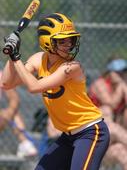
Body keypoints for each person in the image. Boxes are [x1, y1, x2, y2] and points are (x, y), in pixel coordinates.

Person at [1, 13, 110, 170]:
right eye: (62, 41)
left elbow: (34, 87)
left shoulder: (72, 67)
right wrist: (11, 57)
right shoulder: (38, 60)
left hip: (91, 132)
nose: (69, 44)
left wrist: (16, 57)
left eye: (71, 40)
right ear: (47, 42)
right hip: (68, 136)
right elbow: (7, 83)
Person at [88, 57, 127, 169]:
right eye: (118, 72)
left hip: (113, 143)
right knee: (106, 110)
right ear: (110, 72)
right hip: (94, 139)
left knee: (122, 152)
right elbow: (111, 104)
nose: (121, 75)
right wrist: (121, 88)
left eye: (124, 71)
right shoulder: (100, 84)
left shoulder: (123, 85)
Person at [0, 71, 38, 158]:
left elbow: (14, 99)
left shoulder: (2, 76)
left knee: (13, 112)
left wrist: (9, 112)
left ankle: (25, 144)